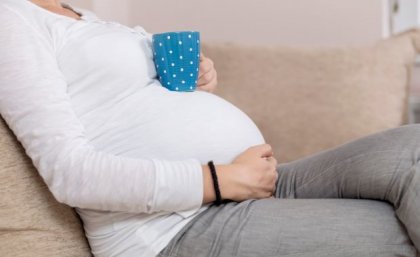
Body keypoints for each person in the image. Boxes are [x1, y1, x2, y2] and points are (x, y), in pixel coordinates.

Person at [0, 0, 418, 256]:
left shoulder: (83, 17)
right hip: (174, 228)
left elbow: (124, 100)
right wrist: (219, 179)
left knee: (412, 148)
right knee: (393, 231)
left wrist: (196, 80)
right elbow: (72, 174)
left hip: (255, 183)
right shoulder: (11, 19)